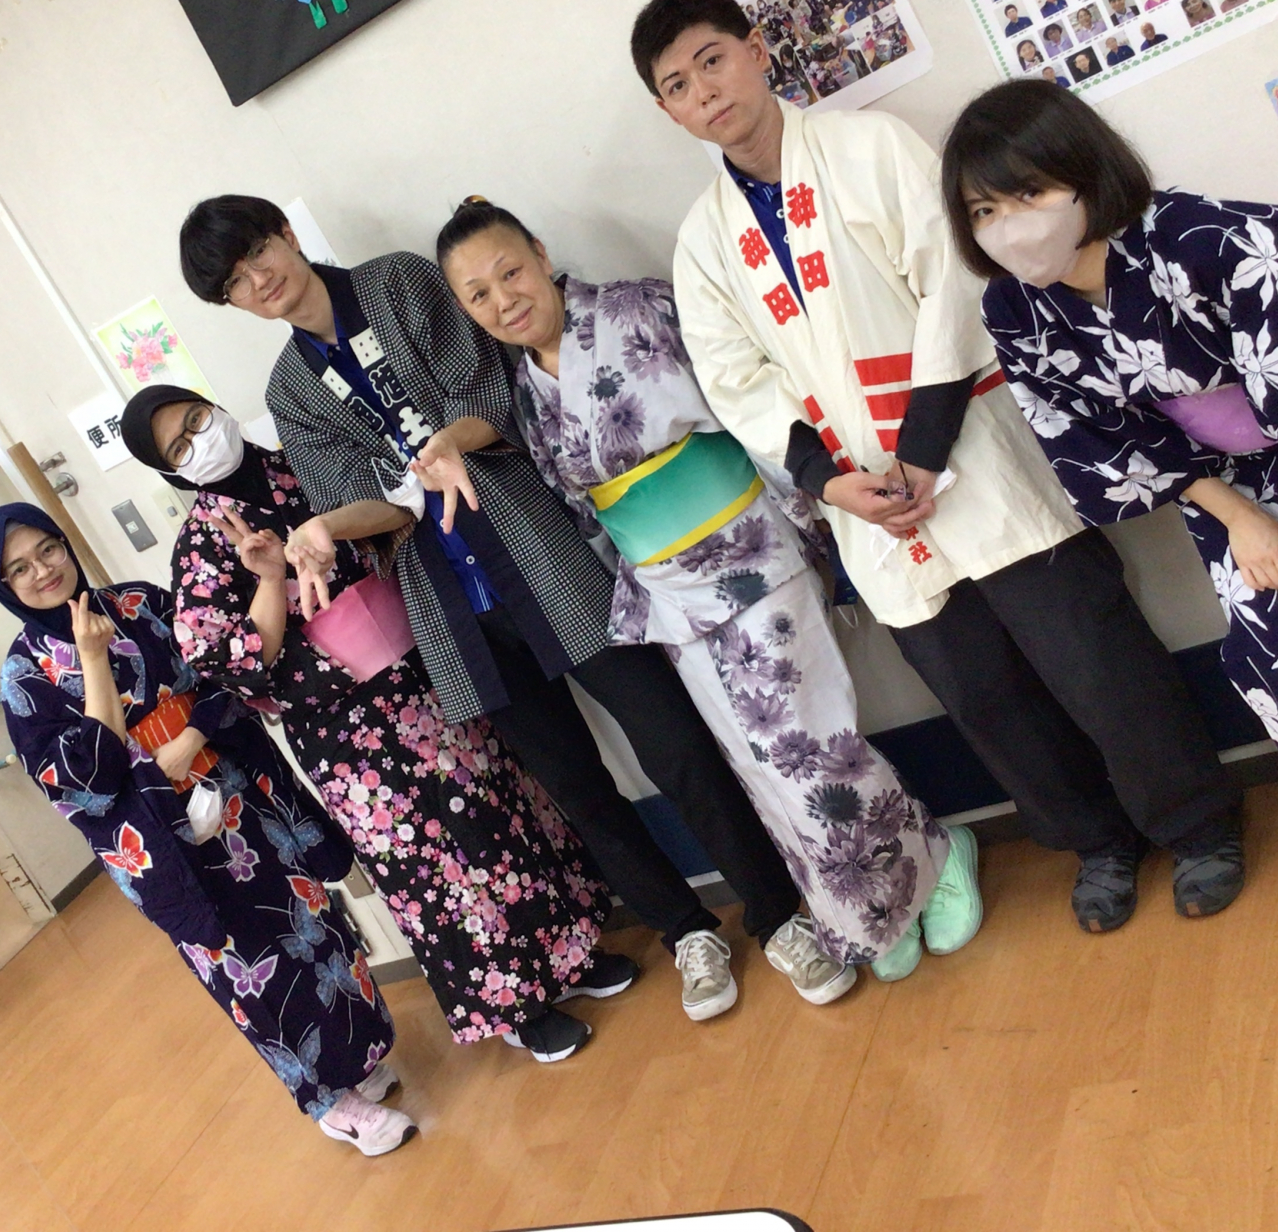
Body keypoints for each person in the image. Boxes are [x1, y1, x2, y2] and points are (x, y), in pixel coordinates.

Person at [630, 0, 1243, 935]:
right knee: (986, 698)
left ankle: (1197, 824)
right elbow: (733, 380)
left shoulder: (871, 148)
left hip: (975, 454)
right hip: (864, 503)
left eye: (713, 59)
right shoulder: (703, 243)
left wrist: (922, 448)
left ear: (756, 49)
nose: (704, 90)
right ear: (668, 112)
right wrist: (828, 481)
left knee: (1094, 655)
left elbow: (956, 282)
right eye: (678, 84)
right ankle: (1097, 843)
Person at [180, 196, 833, 1021]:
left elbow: (495, 391)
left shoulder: (398, 285)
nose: (259, 280)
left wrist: (447, 443)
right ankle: (686, 931)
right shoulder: (291, 391)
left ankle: (776, 912)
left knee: (672, 742)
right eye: (235, 283)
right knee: (574, 787)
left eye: (257, 253)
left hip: (535, 545)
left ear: (284, 232)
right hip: (450, 603)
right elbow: (361, 505)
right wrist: (324, 528)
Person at [943, 79, 1278, 944]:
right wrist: (1238, 517)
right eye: (984, 210)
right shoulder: (1015, 309)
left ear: (1084, 174)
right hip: (1212, 478)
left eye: (1029, 193)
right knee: (1275, 655)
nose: (1010, 225)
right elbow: (1091, 434)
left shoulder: (1207, 237)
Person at [436, 201, 986, 984]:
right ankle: (873, 907)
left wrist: (812, 519)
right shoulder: (524, 392)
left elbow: (745, 409)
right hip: (665, 592)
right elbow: (586, 510)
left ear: (540, 253)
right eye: (479, 295)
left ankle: (935, 857)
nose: (504, 300)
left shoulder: (640, 308)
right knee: (759, 764)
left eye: (510, 272)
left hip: (750, 549)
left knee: (807, 743)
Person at [118, 386, 636, 1064]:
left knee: (504, 808)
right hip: (343, 723)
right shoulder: (201, 547)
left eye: (196, 419)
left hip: (425, 664)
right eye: (181, 446)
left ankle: (570, 953)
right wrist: (271, 580)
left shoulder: (304, 464)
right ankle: (515, 1006)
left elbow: (392, 518)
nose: (201, 440)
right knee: (432, 859)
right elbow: (224, 660)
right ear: (172, 471)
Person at [0, 505, 415, 1155]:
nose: (42, 571)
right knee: (248, 964)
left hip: (236, 793)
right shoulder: (25, 677)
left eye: (48, 550)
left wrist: (193, 735)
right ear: (3, 586)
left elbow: (221, 670)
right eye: (19, 569)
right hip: (166, 840)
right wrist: (92, 659)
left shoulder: (139, 603)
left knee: (312, 926)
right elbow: (89, 776)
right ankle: (330, 1103)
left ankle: (355, 1060)